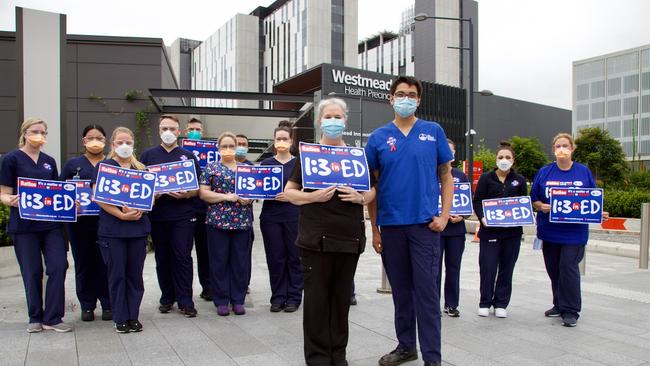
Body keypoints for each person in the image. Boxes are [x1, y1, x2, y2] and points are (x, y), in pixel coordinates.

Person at [365, 76, 454, 366]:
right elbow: (372, 186)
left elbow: (446, 176)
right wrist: (375, 229)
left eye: (411, 94)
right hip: (391, 228)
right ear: (391, 98)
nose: (406, 98)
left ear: (418, 100)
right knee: (401, 293)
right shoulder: (378, 138)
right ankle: (406, 347)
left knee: (427, 295)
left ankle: (432, 358)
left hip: (424, 228)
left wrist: (443, 216)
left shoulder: (433, 131)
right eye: (400, 94)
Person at [285, 97, 376, 366]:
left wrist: (361, 198)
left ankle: (339, 356)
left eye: (338, 117)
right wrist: (312, 197)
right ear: (320, 121)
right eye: (329, 117)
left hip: (349, 239)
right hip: (315, 240)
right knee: (316, 304)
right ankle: (317, 358)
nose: (333, 121)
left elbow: (373, 190)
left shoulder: (358, 156)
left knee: (340, 303)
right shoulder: (308, 155)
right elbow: (289, 192)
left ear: (345, 122)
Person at [0, 118, 72, 333]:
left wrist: (70, 201)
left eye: (43, 131)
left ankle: (53, 317)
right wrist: (8, 200)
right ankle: (35, 316)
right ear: (24, 133)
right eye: (34, 131)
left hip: (51, 226)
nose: (39, 135)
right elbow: (3, 192)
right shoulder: (11, 159)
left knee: (59, 266)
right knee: (31, 272)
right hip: (24, 226)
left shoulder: (49, 161)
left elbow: (56, 191)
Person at [531, 133, 607, 327]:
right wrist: (541, 206)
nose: (562, 149)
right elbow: (534, 199)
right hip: (549, 230)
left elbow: (592, 198)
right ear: (553, 149)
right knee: (554, 269)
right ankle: (558, 303)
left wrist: (598, 212)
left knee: (568, 267)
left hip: (574, 233)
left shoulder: (583, 172)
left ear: (573, 148)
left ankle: (571, 310)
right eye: (558, 146)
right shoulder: (545, 172)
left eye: (565, 145)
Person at [140, 114, 200, 318]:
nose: (168, 132)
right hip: (158, 216)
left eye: (172, 129)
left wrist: (187, 193)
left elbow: (198, 188)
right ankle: (167, 298)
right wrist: (153, 194)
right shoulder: (147, 156)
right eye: (164, 128)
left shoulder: (188, 156)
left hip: (183, 216)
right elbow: (141, 187)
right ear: (159, 131)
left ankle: (186, 300)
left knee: (182, 257)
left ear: (179, 131)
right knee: (162, 258)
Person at [93, 126, 150, 333]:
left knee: (135, 275)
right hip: (113, 230)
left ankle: (133, 315)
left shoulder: (141, 169)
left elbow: (149, 197)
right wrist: (120, 214)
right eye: (120, 143)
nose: (124, 146)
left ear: (134, 144)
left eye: (128, 142)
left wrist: (139, 209)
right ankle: (120, 317)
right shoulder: (105, 167)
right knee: (117, 275)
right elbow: (98, 196)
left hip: (137, 230)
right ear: (113, 145)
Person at [60, 124, 111, 322]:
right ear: (84, 141)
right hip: (80, 225)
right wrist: (71, 203)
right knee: (83, 263)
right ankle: (87, 305)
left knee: (105, 263)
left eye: (99, 137)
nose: (95, 141)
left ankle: (108, 303)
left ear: (106, 141)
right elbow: (61, 191)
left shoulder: (111, 164)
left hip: (106, 222)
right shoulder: (72, 165)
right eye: (91, 137)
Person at [199, 132, 254, 316]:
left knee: (240, 262)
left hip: (242, 222)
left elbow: (255, 190)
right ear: (218, 148)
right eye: (225, 146)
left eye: (232, 146)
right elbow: (204, 193)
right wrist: (225, 197)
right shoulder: (211, 168)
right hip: (217, 222)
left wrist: (249, 199)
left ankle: (238, 300)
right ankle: (221, 300)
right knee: (219, 261)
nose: (229, 149)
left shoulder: (246, 168)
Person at [472, 141, 527, 319]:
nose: (504, 160)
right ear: (496, 159)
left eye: (508, 157)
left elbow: (523, 202)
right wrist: (482, 218)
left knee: (507, 268)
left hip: (512, 233)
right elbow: (478, 200)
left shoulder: (519, 180)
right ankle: (485, 302)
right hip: (490, 232)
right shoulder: (486, 178)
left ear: (513, 160)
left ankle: (501, 303)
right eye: (501, 157)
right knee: (487, 267)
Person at [260, 125, 302, 313]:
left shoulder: (299, 163)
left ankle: (294, 297)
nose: (282, 142)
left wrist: (292, 194)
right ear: (274, 141)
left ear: (292, 141)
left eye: (285, 138)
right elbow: (258, 188)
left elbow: (307, 189)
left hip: (294, 216)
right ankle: (277, 297)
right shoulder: (267, 163)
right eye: (279, 138)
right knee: (275, 258)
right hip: (271, 217)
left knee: (294, 257)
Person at [437, 139, 468, 318]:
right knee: (434, 270)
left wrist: (461, 216)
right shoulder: (432, 173)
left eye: (451, 151)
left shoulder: (460, 175)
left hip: (456, 230)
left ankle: (451, 304)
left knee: (453, 268)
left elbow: (467, 202)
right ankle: (433, 303)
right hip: (438, 229)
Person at [186, 117, 211, 301]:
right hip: (184, 211)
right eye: (191, 129)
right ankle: (183, 291)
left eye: (198, 129)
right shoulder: (181, 153)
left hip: (204, 210)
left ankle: (208, 287)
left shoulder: (211, 153)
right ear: (185, 132)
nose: (195, 131)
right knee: (183, 253)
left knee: (204, 251)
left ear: (202, 133)